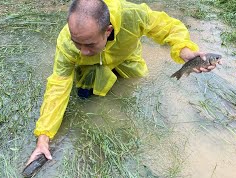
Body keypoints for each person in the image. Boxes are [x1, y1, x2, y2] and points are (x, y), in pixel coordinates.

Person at [26, 0, 221, 165]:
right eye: (78, 43)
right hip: (90, 67)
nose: (82, 50)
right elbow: (57, 87)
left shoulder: (133, 15)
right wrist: (43, 138)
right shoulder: (66, 43)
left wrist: (185, 51)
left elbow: (168, 27)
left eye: (90, 44)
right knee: (84, 96)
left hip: (126, 57)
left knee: (135, 81)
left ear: (108, 30)